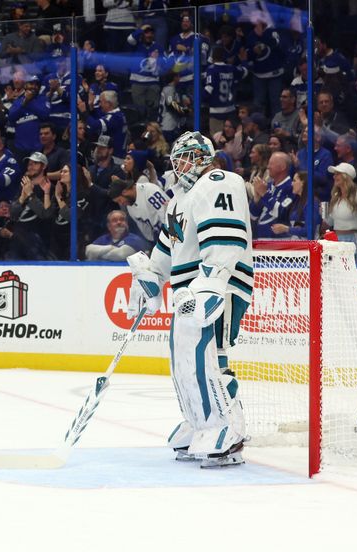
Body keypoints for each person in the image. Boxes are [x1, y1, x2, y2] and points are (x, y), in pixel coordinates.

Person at [126, 130, 254, 468]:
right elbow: (169, 248)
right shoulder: (179, 199)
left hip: (217, 286)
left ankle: (227, 426)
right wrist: (151, 277)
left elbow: (226, 235)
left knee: (210, 355)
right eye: (176, 158)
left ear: (202, 157)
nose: (179, 164)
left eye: (185, 157)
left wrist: (213, 281)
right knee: (183, 356)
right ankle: (200, 420)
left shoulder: (218, 181)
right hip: (187, 290)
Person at [324, 162, 357, 262]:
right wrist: (323, 214)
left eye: (337, 174)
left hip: (353, 241)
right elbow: (331, 221)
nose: (334, 176)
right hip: (336, 241)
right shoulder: (336, 196)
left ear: (346, 176)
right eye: (334, 174)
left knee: (356, 274)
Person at [107, 176, 168, 245]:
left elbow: (167, 215)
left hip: (173, 229)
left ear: (124, 192)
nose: (121, 203)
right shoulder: (130, 206)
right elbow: (145, 230)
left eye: (120, 200)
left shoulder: (150, 191)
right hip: (159, 235)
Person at [249, 152, 295, 239]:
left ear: (282, 167)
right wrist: (256, 198)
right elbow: (253, 216)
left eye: (271, 164)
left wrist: (264, 194)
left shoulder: (291, 188)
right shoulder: (267, 186)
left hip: (280, 242)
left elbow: (281, 213)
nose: (268, 167)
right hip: (261, 240)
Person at [270, 171, 318, 240]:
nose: (292, 184)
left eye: (294, 181)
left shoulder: (312, 203)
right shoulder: (297, 202)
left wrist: (286, 229)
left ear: (302, 183)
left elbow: (309, 231)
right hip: (297, 245)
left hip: (308, 247)